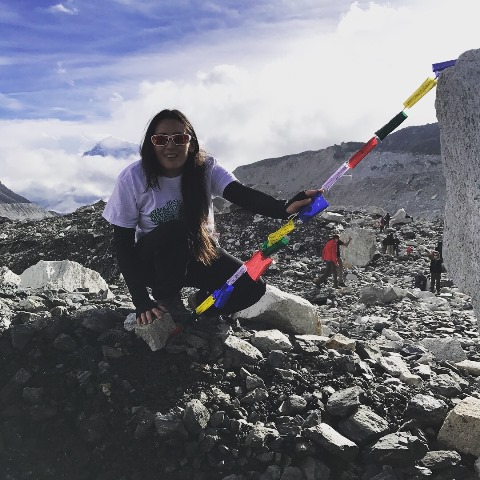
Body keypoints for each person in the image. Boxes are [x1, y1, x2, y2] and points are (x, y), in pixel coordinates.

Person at [102, 109, 322, 325]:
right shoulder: (133, 178)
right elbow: (123, 243)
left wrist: (282, 208)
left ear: (191, 143)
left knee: (252, 288)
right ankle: (167, 299)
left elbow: (240, 194)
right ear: (152, 144)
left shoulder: (205, 168)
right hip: (156, 264)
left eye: (179, 138)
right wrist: (141, 301)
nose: (170, 146)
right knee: (176, 230)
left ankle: (204, 307)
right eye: (161, 139)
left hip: (199, 253)